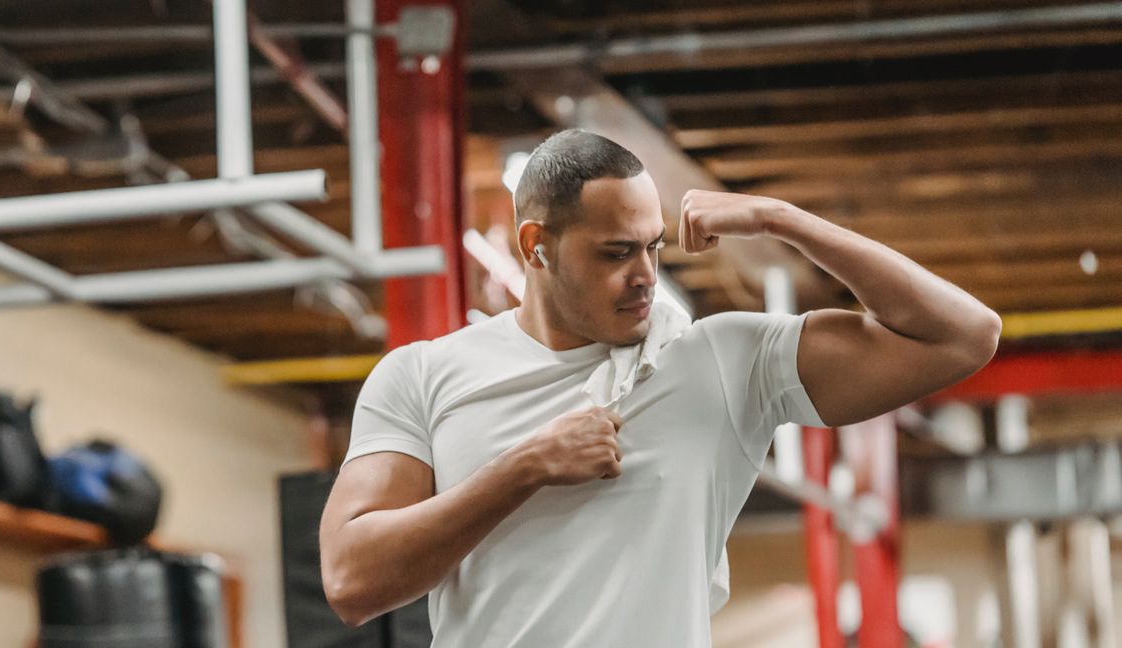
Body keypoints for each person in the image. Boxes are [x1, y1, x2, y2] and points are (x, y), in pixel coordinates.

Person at [318, 129, 1001, 647]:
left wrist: (783, 221)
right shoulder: (424, 375)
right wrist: (525, 468)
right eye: (616, 253)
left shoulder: (723, 361)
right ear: (536, 247)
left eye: (652, 248)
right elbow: (351, 581)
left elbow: (963, 336)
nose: (644, 274)